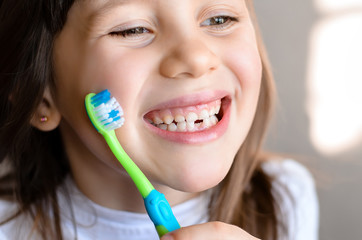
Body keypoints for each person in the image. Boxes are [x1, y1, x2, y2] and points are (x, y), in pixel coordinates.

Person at [0, 0, 319, 239]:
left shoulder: (284, 198)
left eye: (220, 18)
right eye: (133, 29)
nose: (196, 57)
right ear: (40, 93)